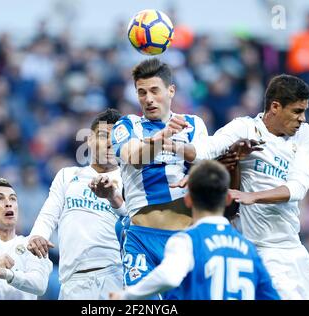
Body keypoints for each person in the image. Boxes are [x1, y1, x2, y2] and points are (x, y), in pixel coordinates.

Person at [110, 58, 259, 298]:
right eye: (141, 92)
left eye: (154, 91)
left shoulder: (193, 124)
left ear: (171, 90)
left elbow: (204, 165)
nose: (148, 98)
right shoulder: (127, 125)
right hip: (141, 240)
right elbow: (134, 157)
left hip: (184, 239)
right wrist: (163, 136)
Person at [200, 74, 309, 299]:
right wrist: (173, 141)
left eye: (304, 110)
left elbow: (297, 188)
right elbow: (204, 152)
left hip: (294, 246)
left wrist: (253, 196)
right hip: (261, 250)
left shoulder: (305, 135)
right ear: (275, 106)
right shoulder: (244, 128)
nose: (303, 118)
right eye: (297, 111)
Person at [110, 160, 280, 300]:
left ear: (188, 199)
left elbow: (169, 276)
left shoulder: (187, 241)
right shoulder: (248, 248)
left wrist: (127, 296)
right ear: (228, 199)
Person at [27, 108, 127, 300]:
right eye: (104, 136)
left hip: (113, 277)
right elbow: (49, 214)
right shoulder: (68, 175)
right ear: (89, 139)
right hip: (71, 282)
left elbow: (135, 224)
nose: (109, 144)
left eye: (116, 139)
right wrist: (37, 235)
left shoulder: (129, 181)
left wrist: (114, 198)